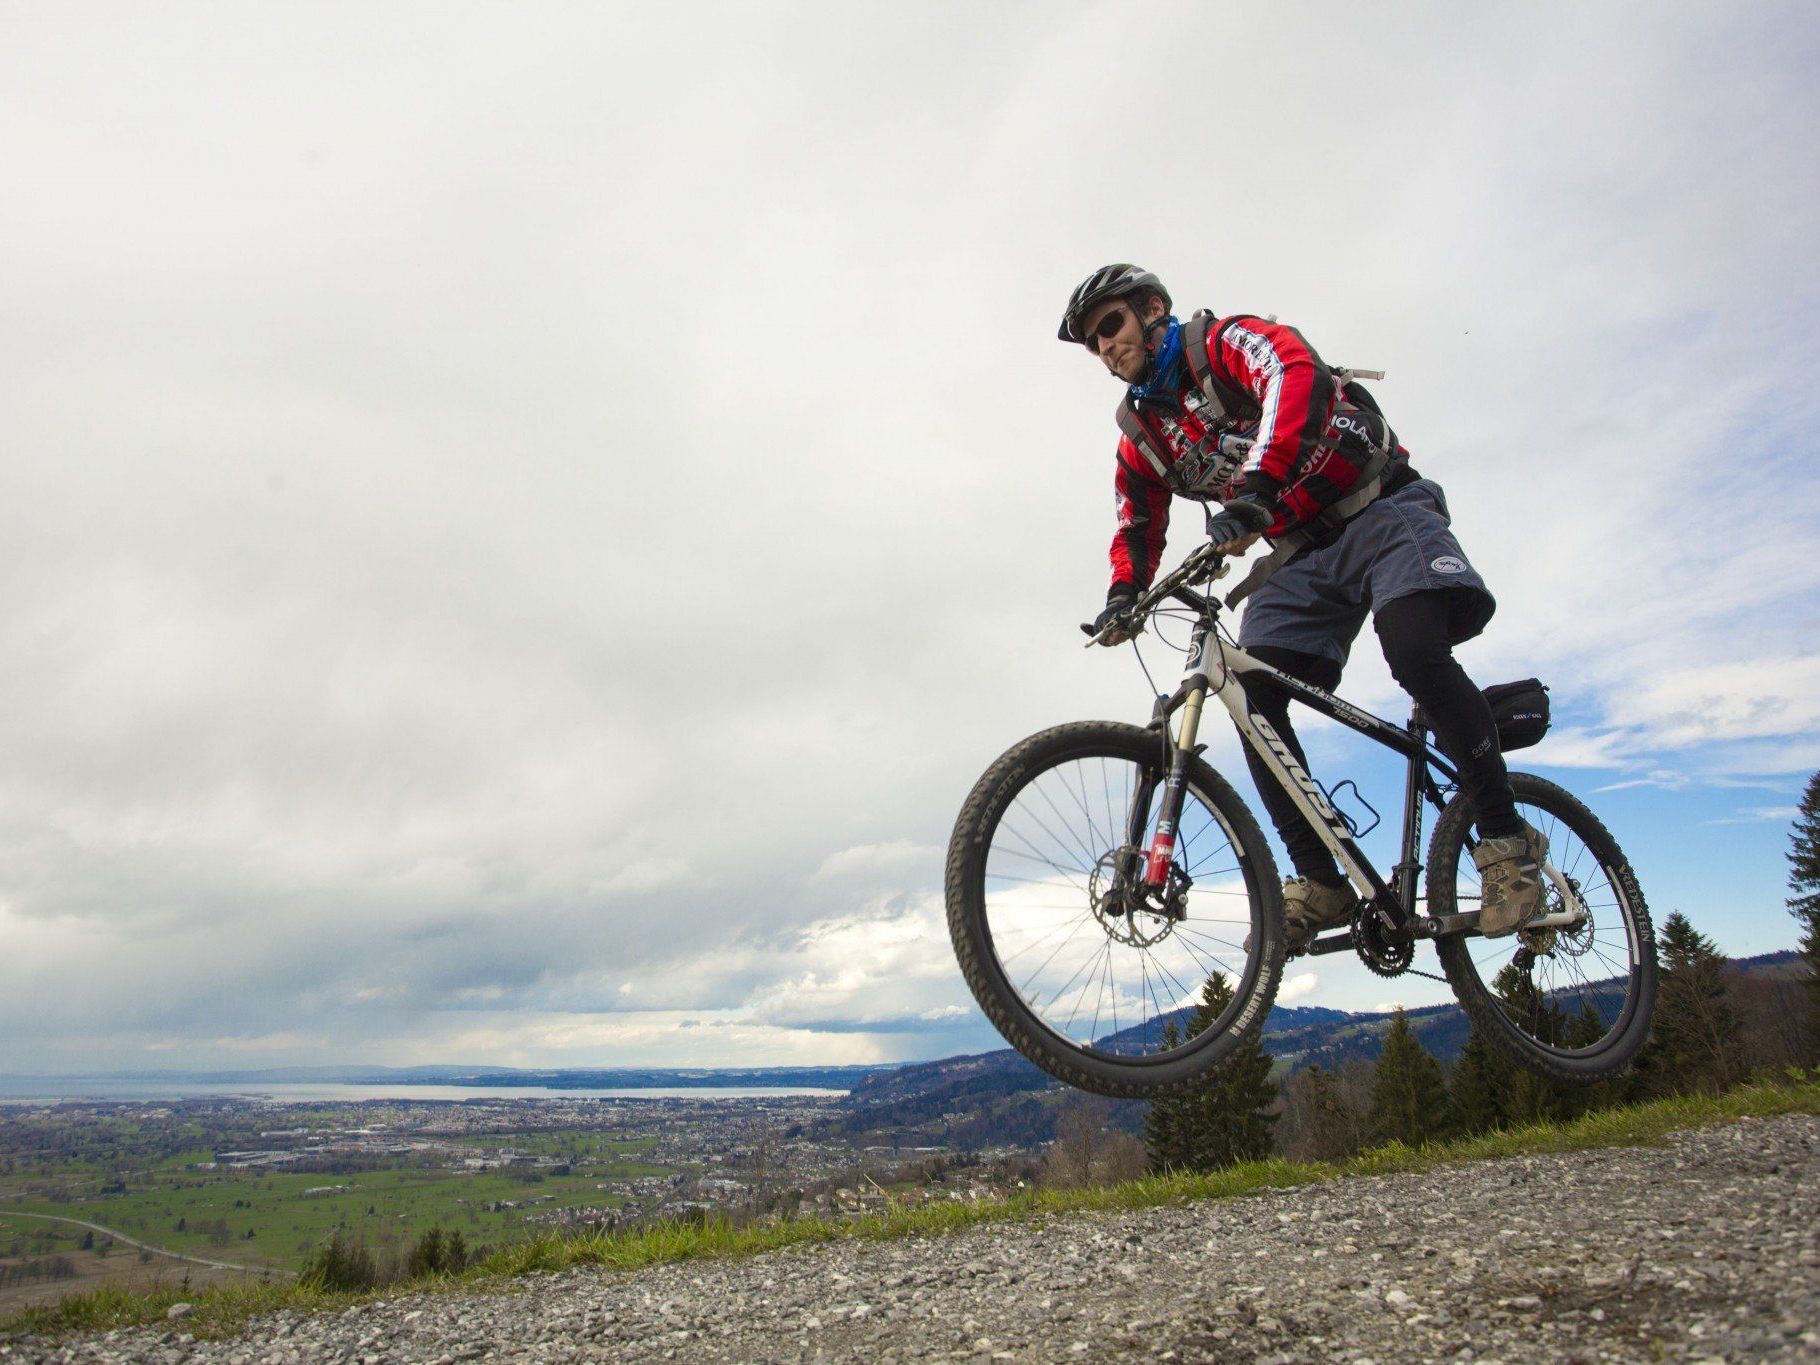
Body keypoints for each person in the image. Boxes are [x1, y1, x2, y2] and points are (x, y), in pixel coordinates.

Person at [1059, 264, 1545, 951]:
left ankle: (1506, 843)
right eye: (1092, 341)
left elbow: (1295, 375)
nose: (1105, 345)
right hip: (1299, 555)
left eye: (1111, 324)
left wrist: (1256, 489)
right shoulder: (1144, 434)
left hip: (1382, 508)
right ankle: (1321, 881)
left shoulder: (1222, 344)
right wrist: (1123, 594)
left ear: (1152, 308)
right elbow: (1137, 522)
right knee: (1252, 697)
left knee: (1414, 652)